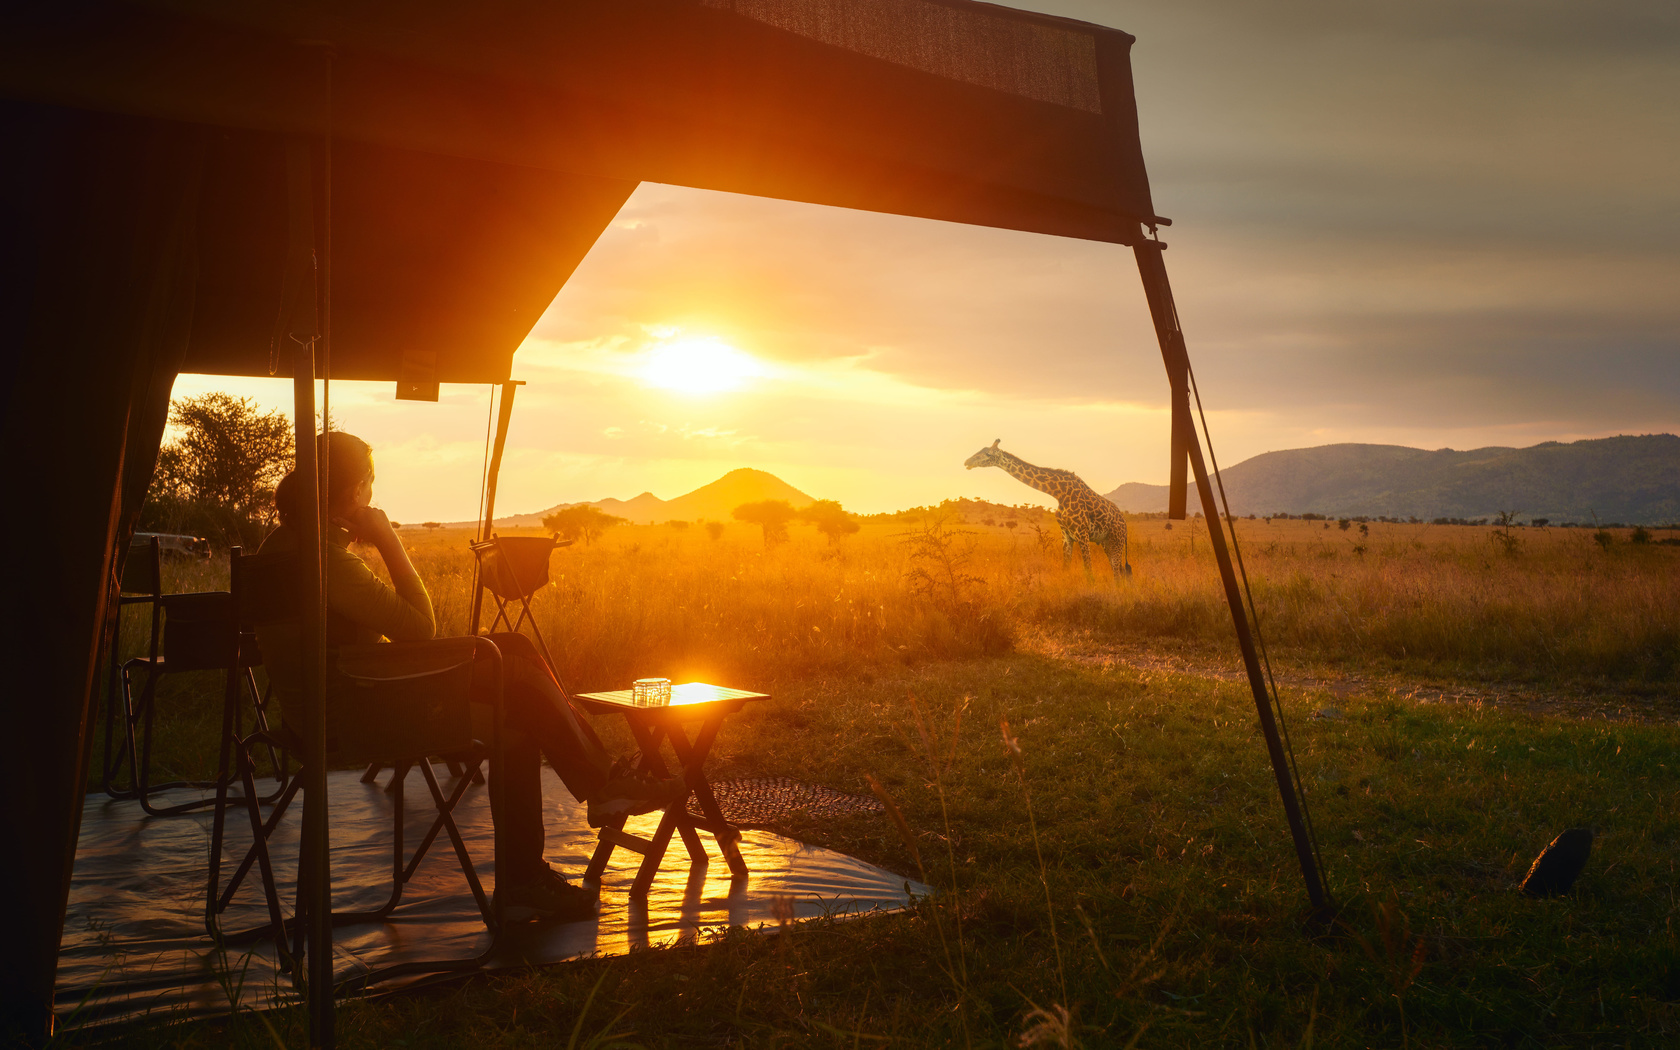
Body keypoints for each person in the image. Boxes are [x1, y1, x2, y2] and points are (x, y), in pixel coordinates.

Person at [260, 432, 684, 922]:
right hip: (356, 717)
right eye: (370, 484)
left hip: (322, 708)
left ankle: (580, 815)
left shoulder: (281, 546)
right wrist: (387, 538)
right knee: (510, 663)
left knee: (513, 690)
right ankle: (589, 804)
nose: (372, 496)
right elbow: (420, 629)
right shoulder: (326, 561)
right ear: (355, 493)